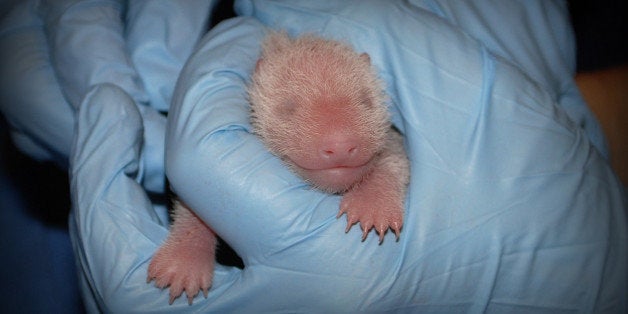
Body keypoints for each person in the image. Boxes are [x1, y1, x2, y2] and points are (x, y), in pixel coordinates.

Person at [1, 0, 625, 312]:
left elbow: (395, 154)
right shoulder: (239, 116)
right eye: (293, 112)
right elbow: (201, 198)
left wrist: (379, 185)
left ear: (374, 82)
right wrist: (191, 245)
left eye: (359, 100)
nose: (341, 136)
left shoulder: (388, 120)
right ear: (251, 100)